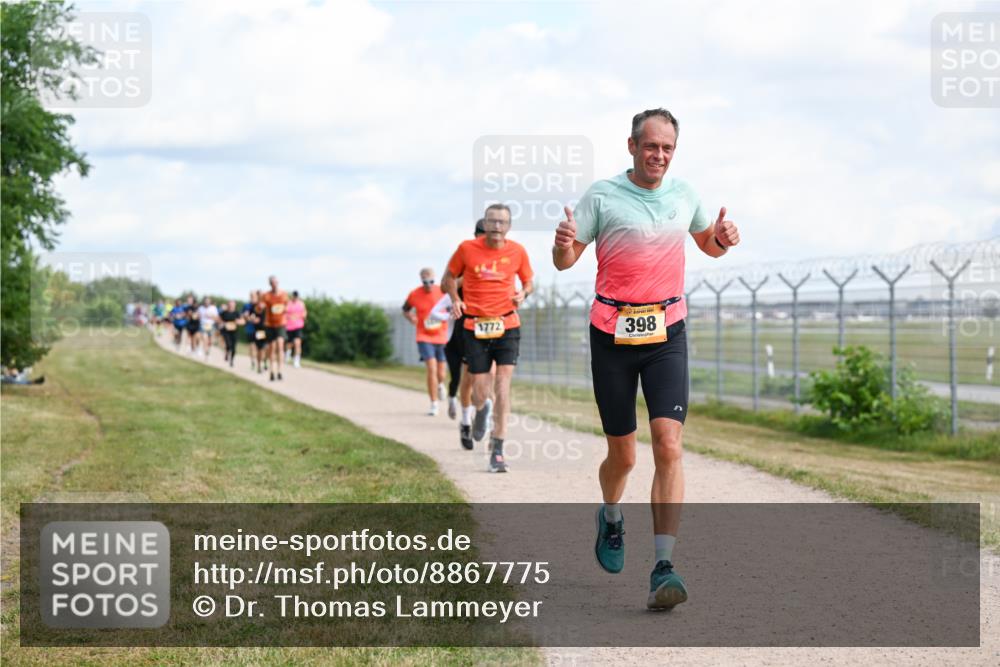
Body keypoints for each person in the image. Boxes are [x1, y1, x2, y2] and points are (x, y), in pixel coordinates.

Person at [552, 108, 740, 610]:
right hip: (611, 333)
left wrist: (720, 240)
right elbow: (566, 260)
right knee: (624, 454)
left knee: (669, 444)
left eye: (668, 148)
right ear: (632, 146)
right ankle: (611, 515)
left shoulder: (685, 195)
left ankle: (663, 567)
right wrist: (563, 245)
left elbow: (707, 244)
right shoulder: (603, 195)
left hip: (666, 331)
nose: (659, 156)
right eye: (651, 146)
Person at [442, 203, 534, 472]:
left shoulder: (517, 251)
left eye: (501, 222)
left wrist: (524, 293)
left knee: (503, 384)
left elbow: (529, 281)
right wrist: (456, 299)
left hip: (507, 324)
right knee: (480, 388)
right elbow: (448, 278)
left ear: (508, 226)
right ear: (484, 223)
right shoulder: (467, 249)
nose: (496, 226)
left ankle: (498, 449)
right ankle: (481, 409)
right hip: (475, 326)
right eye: (491, 221)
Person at [432, 219, 493, 447]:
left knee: (493, 376)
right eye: (482, 234)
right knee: (468, 378)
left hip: (494, 323)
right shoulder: (466, 256)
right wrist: (466, 280)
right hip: (467, 325)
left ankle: (487, 418)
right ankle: (466, 421)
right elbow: (444, 285)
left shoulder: (500, 258)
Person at [403, 268, 450, 416]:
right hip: (423, 336)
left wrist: (446, 316)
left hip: (441, 336)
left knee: (441, 373)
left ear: (434, 280)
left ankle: (440, 384)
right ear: (421, 280)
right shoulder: (414, 294)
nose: (428, 284)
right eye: (425, 282)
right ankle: (434, 404)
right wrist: (411, 318)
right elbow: (405, 310)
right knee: (431, 368)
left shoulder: (442, 291)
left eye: (431, 281)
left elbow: (451, 307)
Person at [259, 276, 289, 381]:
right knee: (272, 348)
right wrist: (261, 306)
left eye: (276, 282)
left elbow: (287, 307)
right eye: (272, 283)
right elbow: (259, 308)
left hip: (281, 323)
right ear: (270, 284)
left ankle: (280, 371)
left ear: (278, 283)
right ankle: (272, 371)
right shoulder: (266, 295)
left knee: (280, 346)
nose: (274, 284)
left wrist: (286, 313)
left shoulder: (284, 295)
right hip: (269, 324)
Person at [285, 291, 308, 368]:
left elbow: (304, 314)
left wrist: (299, 316)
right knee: (289, 344)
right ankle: (288, 354)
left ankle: (296, 360)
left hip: (298, 326)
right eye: (294, 296)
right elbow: (284, 313)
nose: (295, 297)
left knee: (298, 343)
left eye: (296, 296)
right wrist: (290, 317)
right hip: (289, 327)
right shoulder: (288, 303)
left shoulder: (301, 304)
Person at [219, 300, 242, 367]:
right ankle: (226, 353)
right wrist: (221, 324)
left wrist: (238, 321)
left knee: (234, 348)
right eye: (230, 304)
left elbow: (242, 321)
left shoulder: (237, 313)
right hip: (226, 332)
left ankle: (231, 360)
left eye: (232, 304)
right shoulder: (224, 313)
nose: (231, 306)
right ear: (228, 305)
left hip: (234, 332)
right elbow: (219, 319)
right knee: (228, 344)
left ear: (235, 305)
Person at [242, 291, 261, 370]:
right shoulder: (247, 306)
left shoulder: (260, 306)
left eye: (254, 296)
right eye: (251, 296)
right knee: (252, 346)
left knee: (260, 347)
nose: (253, 298)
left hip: (260, 330)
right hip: (250, 329)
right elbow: (243, 315)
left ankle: (261, 361)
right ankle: (253, 362)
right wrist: (248, 318)